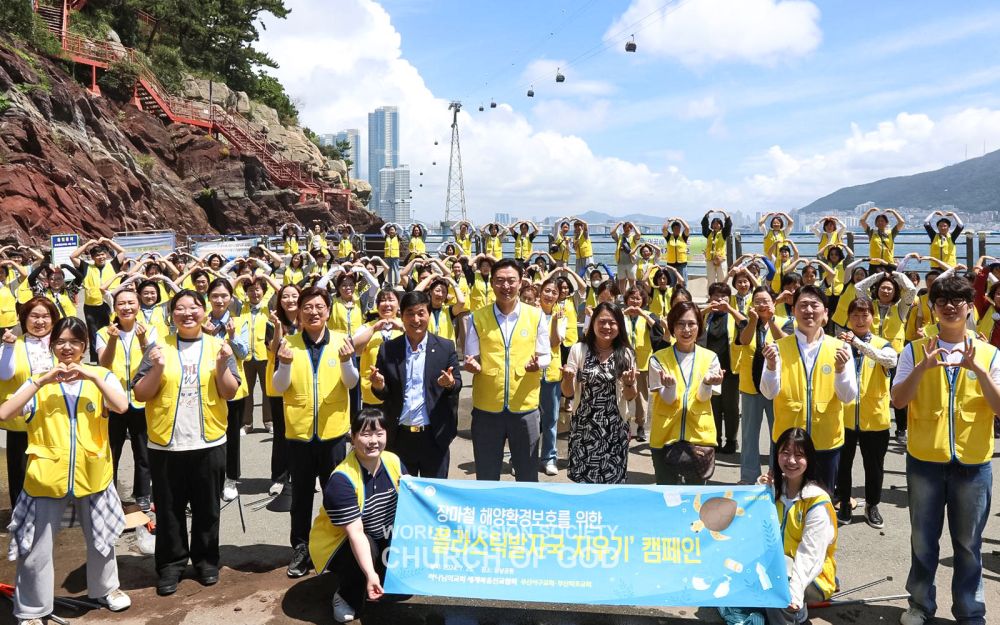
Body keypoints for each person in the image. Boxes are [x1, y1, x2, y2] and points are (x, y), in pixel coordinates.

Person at [1, 316, 132, 622]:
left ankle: (106, 588)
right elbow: (5, 412)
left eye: (75, 341)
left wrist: (92, 376)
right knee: (36, 548)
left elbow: (121, 405)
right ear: (52, 344)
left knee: (101, 538)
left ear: (85, 346)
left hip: (93, 474)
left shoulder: (101, 376)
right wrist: (40, 381)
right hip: (46, 478)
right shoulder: (39, 379)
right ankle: (33, 610)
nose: (67, 348)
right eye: (61, 341)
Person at [890, 275, 1000, 625]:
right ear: (933, 308)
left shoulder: (990, 353)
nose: (950, 306)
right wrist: (923, 367)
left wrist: (978, 371)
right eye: (942, 301)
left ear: (970, 307)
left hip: (973, 462)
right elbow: (899, 400)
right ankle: (920, 605)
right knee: (923, 540)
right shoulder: (912, 350)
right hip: (926, 461)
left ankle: (970, 611)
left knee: (968, 544)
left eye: (958, 301)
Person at [132, 290, 240, 596]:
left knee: (208, 508)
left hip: (209, 441)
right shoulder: (157, 347)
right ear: (172, 314)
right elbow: (140, 394)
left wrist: (221, 367)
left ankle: (206, 561)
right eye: (180, 308)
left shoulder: (219, 346)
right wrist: (157, 369)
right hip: (167, 444)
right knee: (169, 510)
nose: (187, 313)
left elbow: (230, 392)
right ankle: (171, 565)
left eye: (194, 307)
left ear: (204, 312)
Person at [272, 286, 359, 578]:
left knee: (335, 494)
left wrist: (347, 361)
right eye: (307, 306)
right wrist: (283, 364)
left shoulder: (340, 342)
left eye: (319, 306)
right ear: (299, 311)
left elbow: (351, 382)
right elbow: (278, 386)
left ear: (328, 310)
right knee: (301, 498)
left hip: (333, 433)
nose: (313, 312)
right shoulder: (288, 344)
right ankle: (301, 548)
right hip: (299, 433)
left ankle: (335, 547)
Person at [309, 409, 404, 623]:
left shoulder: (393, 461)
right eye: (365, 434)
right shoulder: (341, 480)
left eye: (379, 434)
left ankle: (379, 573)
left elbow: (414, 503)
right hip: (343, 543)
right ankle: (346, 597)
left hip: (383, 534)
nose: (373, 441)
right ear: (352, 437)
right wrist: (371, 574)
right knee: (366, 550)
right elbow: (356, 535)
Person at [760, 285, 857, 491]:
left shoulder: (841, 348)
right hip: (789, 446)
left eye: (815, 305)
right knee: (785, 501)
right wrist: (770, 367)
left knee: (821, 504)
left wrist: (840, 370)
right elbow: (768, 392)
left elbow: (848, 396)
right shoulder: (778, 348)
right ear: (793, 311)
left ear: (826, 314)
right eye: (802, 305)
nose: (808, 310)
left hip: (826, 443)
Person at [463, 259, 550, 482]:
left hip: (525, 406)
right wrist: (472, 365)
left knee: (527, 473)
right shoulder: (478, 317)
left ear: (521, 283)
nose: (506, 286)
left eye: (511, 281)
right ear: (491, 284)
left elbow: (546, 355)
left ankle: (524, 515)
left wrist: (537, 365)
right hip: (487, 407)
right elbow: (471, 356)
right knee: (487, 473)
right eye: (500, 281)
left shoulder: (535, 315)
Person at [369, 291, 461, 478]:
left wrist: (450, 383)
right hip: (399, 437)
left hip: (434, 436)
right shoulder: (388, 349)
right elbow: (384, 393)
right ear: (401, 316)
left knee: (433, 496)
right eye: (410, 313)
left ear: (428, 314)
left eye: (421, 313)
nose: (416, 319)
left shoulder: (445, 347)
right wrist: (379, 386)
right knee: (400, 496)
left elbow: (457, 384)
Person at [760, 428, 838, 625]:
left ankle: (796, 618)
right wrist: (758, 492)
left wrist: (795, 592)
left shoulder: (817, 502)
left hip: (812, 575)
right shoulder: (773, 489)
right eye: (785, 453)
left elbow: (809, 555)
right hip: (779, 566)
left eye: (799, 455)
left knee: (774, 582)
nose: (791, 460)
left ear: (809, 459)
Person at [834, 298, 897, 528]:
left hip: (875, 419)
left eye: (865, 315)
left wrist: (859, 344)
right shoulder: (838, 344)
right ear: (848, 318)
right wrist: (849, 344)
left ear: (872, 318)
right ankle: (845, 503)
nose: (860, 320)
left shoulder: (883, 344)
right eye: (855, 315)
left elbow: (890, 361)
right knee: (843, 466)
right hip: (844, 417)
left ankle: (872, 504)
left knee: (874, 467)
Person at [647, 301, 723, 485]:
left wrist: (706, 383)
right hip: (665, 437)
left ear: (699, 326)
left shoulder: (710, 357)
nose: (686, 329)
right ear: (672, 327)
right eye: (680, 324)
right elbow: (667, 399)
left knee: (695, 499)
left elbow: (703, 397)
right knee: (668, 496)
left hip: (698, 438)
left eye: (691, 324)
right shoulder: (658, 358)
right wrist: (670, 387)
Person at [561, 302, 637, 484]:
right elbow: (568, 393)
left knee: (612, 483)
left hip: (614, 428)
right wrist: (567, 379)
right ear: (593, 323)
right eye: (602, 322)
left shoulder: (625, 353)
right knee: (582, 482)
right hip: (584, 427)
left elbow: (630, 396)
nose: (607, 327)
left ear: (619, 326)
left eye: (612, 323)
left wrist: (628, 384)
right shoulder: (579, 350)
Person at [97, 288, 155, 512]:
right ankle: (108, 493)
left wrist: (142, 340)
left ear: (138, 306)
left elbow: (152, 361)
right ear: (115, 308)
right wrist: (112, 340)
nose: (127, 307)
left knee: (143, 451)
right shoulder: (104, 332)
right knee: (112, 450)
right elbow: (104, 364)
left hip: (141, 401)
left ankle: (142, 494)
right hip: (114, 401)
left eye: (131, 302)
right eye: (121, 303)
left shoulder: (150, 330)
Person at [0, 297, 59, 508]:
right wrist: (7, 347)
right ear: (24, 319)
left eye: (45, 316)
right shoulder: (13, 344)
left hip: (53, 417)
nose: (40, 321)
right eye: (34, 316)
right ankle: (20, 513)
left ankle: (48, 509)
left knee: (50, 467)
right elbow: (5, 374)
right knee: (20, 471)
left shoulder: (60, 343)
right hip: (21, 421)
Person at [734, 287, 789, 484]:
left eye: (766, 301)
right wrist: (753, 321)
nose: (762, 305)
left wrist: (772, 321)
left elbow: (786, 342)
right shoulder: (744, 322)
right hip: (750, 388)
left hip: (776, 389)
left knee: (778, 434)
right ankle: (749, 477)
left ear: (774, 304)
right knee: (749, 435)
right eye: (758, 301)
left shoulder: (785, 322)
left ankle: (776, 475)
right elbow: (744, 340)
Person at [203, 278, 250, 502]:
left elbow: (244, 354)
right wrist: (206, 334)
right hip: (207, 386)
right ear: (208, 298)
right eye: (215, 296)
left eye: (224, 296)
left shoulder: (240, 321)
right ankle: (212, 477)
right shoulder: (202, 321)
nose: (219, 300)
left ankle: (231, 478)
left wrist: (232, 336)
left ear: (231, 298)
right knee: (211, 433)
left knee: (231, 436)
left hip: (233, 387)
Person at [701, 282, 746, 454]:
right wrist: (706, 309)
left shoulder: (734, 315)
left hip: (730, 368)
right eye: (716, 296)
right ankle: (715, 439)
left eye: (723, 297)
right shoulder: (706, 316)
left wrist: (730, 309)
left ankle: (732, 440)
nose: (719, 300)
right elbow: (689, 318)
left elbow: (745, 323)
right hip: (709, 369)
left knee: (731, 408)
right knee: (713, 406)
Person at [70, 237, 126, 362]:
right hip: (91, 306)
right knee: (94, 333)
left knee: (112, 328)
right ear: (92, 257)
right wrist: (88, 243)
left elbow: (122, 252)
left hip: (109, 304)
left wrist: (108, 241)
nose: (101, 257)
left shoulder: (113, 265)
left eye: (103, 254)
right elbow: (73, 256)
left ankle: (114, 355)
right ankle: (97, 359)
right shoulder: (86, 267)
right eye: (97, 255)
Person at [354, 290, 404, 409]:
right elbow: (353, 348)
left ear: (398, 305)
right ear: (377, 306)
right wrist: (373, 329)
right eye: (382, 301)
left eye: (391, 300)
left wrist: (402, 328)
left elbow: (419, 342)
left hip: (400, 391)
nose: (387, 304)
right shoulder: (367, 327)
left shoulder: (406, 324)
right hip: (372, 393)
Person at [702, 210, 732, 285]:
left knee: (722, 279)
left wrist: (724, 213)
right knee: (710, 280)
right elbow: (704, 224)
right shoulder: (708, 233)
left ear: (721, 225)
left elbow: (728, 225)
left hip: (720, 260)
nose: (715, 225)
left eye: (717, 224)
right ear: (711, 225)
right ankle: (710, 295)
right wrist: (707, 214)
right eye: (713, 224)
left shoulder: (724, 233)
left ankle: (723, 294)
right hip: (710, 260)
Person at [611, 221, 640, 293]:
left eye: (628, 228)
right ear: (623, 228)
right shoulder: (620, 236)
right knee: (621, 281)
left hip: (631, 262)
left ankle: (632, 295)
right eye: (625, 228)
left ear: (631, 228)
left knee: (632, 281)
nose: (626, 230)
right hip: (621, 262)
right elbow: (612, 232)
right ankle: (624, 297)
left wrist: (633, 224)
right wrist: (618, 223)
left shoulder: (633, 237)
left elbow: (639, 234)